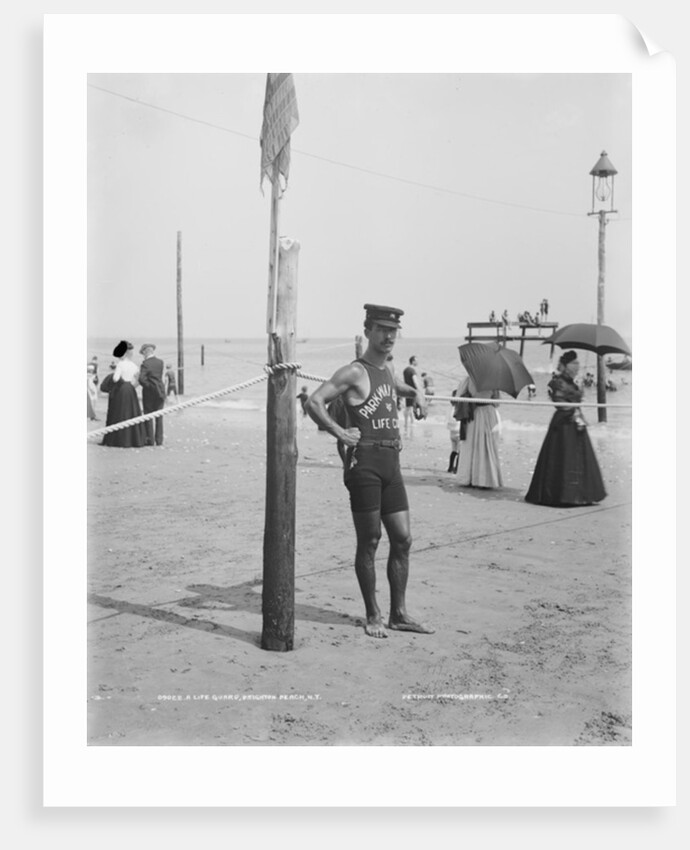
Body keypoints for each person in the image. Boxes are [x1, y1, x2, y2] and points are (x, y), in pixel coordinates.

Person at [305, 303, 434, 639]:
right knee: (371, 540)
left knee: (403, 539)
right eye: (382, 329)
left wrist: (418, 394)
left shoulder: (386, 371)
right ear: (368, 332)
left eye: (393, 330)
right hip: (365, 465)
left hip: (392, 463)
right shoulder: (354, 371)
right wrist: (340, 433)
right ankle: (373, 615)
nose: (389, 336)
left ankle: (399, 613)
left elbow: (391, 390)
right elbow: (313, 402)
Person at [525, 350, 606, 507]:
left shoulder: (572, 382)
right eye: (573, 364)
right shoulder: (558, 382)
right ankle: (562, 495)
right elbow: (559, 403)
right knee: (563, 456)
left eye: (577, 364)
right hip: (563, 424)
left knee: (579, 458)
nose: (577, 367)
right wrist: (574, 405)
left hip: (575, 422)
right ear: (565, 365)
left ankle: (581, 494)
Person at [456, 375, 503, 489]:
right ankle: (485, 479)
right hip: (488, 413)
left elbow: (458, 397)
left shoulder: (469, 378)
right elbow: (497, 403)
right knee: (487, 445)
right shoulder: (494, 381)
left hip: (474, 413)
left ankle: (469, 478)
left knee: (470, 445)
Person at [100, 341, 147, 448]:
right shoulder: (134, 365)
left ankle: (118, 440)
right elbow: (138, 381)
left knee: (119, 413)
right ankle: (133, 439)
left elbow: (115, 379)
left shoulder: (120, 364)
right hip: (130, 390)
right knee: (131, 413)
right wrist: (131, 386)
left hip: (121, 390)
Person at [139, 343, 166, 446]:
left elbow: (141, 379)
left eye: (143, 353)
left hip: (149, 393)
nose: (143, 355)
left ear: (146, 352)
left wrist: (148, 386)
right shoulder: (160, 362)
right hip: (160, 391)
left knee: (148, 415)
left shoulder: (145, 363)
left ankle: (150, 440)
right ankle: (159, 440)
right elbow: (157, 377)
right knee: (159, 417)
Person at [402, 355, 422, 434]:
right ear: (413, 361)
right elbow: (415, 381)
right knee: (411, 407)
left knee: (408, 407)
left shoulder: (405, 370)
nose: (417, 362)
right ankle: (412, 422)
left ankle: (406, 423)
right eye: (416, 360)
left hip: (407, 389)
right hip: (413, 390)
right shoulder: (412, 371)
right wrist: (419, 390)